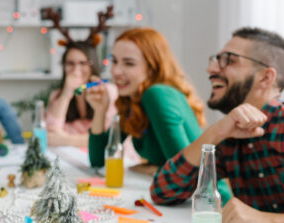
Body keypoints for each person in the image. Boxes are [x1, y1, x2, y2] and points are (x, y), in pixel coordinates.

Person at [151, 27, 284, 223]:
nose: (211, 69)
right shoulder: (230, 135)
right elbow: (163, 192)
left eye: (229, 60)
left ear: (265, 78)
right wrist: (215, 132)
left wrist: (275, 222)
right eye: (216, 59)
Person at [86, 28, 206, 175]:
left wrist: (150, 169)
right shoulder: (133, 100)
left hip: (207, 197)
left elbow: (185, 172)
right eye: (114, 61)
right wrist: (99, 110)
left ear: (152, 68)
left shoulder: (157, 94)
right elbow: (98, 160)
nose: (116, 71)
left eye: (129, 63)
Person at [45, 40, 118, 147]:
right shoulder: (57, 96)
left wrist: (64, 139)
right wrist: (66, 94)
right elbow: (49, 136)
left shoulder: (107, 92)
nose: (76, 70)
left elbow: (108, 139)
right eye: (70, 63)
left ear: (92, 66)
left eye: (83, 63)